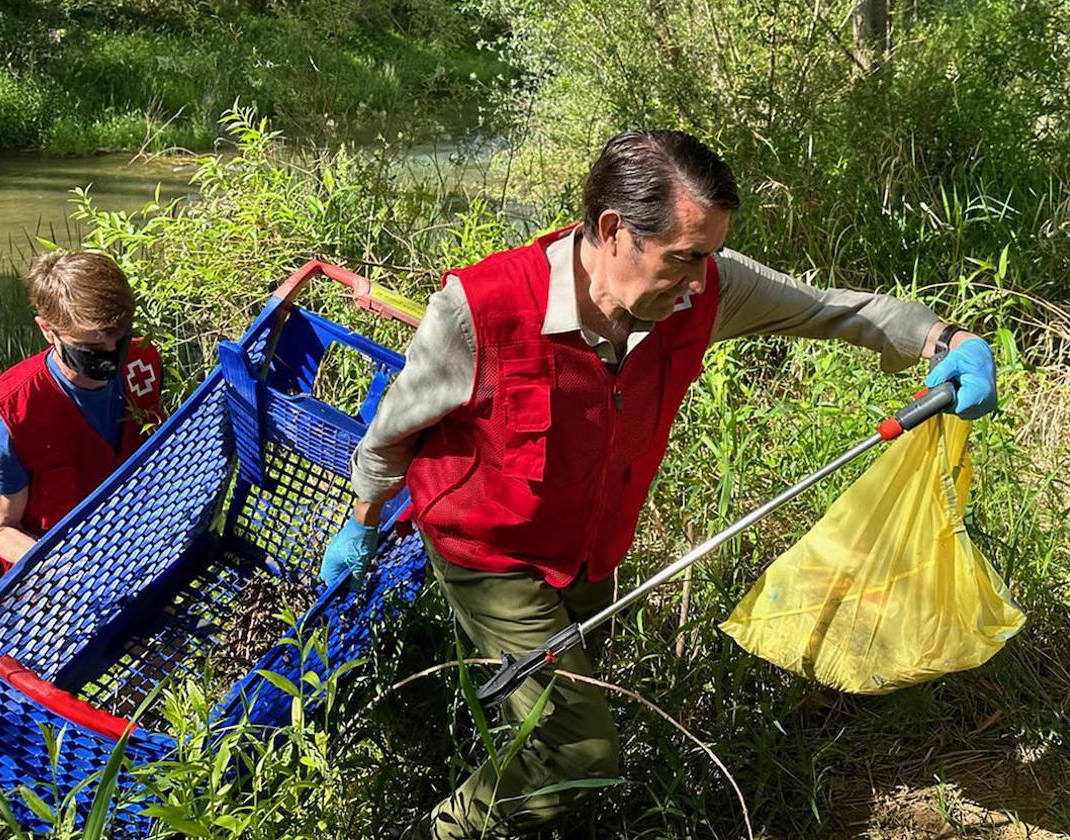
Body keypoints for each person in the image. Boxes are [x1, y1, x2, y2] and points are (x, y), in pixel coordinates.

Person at [322, 130, 998, 837]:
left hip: (591, 551)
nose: (702, 280)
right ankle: (444, 830)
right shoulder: (479, 310)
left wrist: (947, 342)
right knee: (577, 748)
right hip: (490, 552)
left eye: (708, 257)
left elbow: (833, 309)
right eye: (685, 258)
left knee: (566, 707)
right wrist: (363, 523)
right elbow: (394, 429)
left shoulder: (700, 292)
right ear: (613, 231)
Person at [0, 251, 163, 602]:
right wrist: (68, 571)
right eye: (91, 344)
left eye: (118, 336)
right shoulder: (11, 417)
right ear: (47, 330)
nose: (110, 351)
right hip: (39, 582)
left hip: (122, 546)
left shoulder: (142, 362)